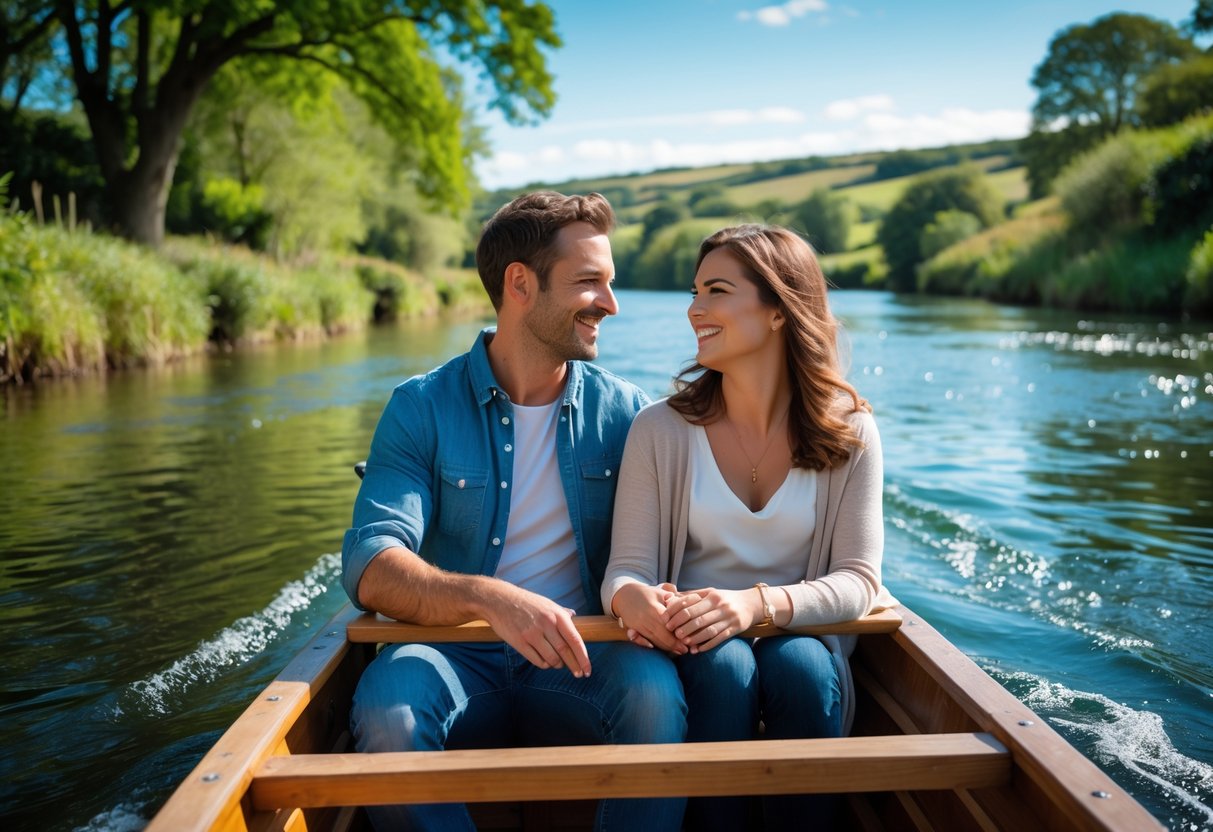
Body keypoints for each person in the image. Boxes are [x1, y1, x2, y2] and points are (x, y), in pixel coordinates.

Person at [343, 191, 687, 831]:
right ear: (520, 284)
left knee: (654, 696)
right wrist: (492, 599)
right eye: (590, 283)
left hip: (588, 653)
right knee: (389, 712)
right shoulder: (419, 407)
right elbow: (370, 564)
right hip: (454, 654)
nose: (610, 305)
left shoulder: (628, 414)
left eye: (610, 284)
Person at [602, 223, 893, 830]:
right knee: (723, 664)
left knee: (803, 667)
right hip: (697, 648)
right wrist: (634, 600)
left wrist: (751, 606)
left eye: (716, 291)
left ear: (779, 310)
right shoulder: (660, 430)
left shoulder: (853, 432)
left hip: (804, 639)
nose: (694, 310)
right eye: (694, 291)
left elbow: (859, 580)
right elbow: (625, 571)